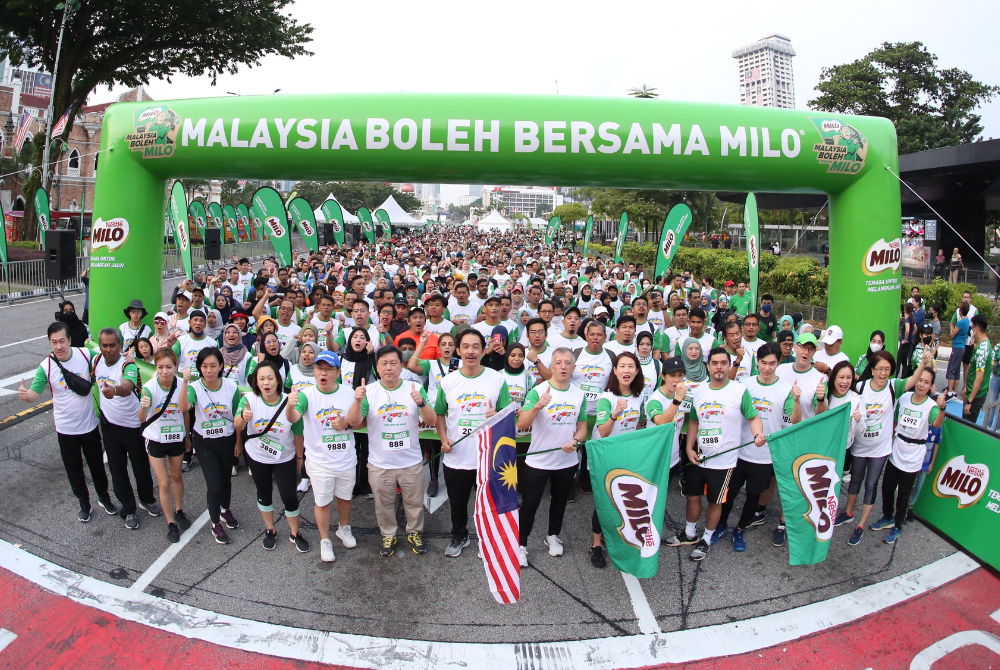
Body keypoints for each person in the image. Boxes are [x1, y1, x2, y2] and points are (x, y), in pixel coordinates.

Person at [666, 347, 766, 561]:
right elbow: (694, 421)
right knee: (692, 497)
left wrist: (758, 434)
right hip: (698, 458)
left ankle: (707, 538)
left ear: (729, 365)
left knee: (715, 501)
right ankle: (690, 533)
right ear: (708, 366)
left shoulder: (739, 391)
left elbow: (753, 417)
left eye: (723, 363)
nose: (719, 367)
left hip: (724, 462)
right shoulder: (700, 391)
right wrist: (689, 448)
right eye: (715, 363)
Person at [18, 322, 112, 522]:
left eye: (62, 341)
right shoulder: (47, 366)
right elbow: (35, 394)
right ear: (50, 343)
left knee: (97, 466)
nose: (58, 346)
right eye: (54, 342)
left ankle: (104, 498)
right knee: (74, 469)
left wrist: (125, 358)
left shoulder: (85, 355)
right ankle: (84, 503)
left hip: (89, 426)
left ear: (69, 340)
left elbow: (108, 361)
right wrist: (26, 396)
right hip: (65, 429)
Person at [348, 347, 437, 557]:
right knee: (383, 504)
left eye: (393, 363)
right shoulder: (368, 391)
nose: (389, 367)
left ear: (401, 365)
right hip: (380, 463)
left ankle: (414, 532)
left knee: (414, 503)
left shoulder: (414, 387)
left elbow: (432, 421)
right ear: (377, 367)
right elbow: (354, 422)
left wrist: (421, 403)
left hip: (411, 461)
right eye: (384, 363)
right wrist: (357, 400)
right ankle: (388, 534)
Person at [835, 349, 929, 545]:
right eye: (879, 369)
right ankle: (849, 512)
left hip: (880, 450)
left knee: (871, 485)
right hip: (860, 446)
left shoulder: (894, 387)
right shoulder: (860, 387)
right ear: (873, 369)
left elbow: (912, 379)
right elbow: (839, 390)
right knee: (855, 481)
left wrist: (923, 363)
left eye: (887, 369)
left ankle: (860, 525)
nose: (883, 373)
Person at [717, 343, 800, 552]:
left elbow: (795, 420)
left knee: (754, 497)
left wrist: (797, 400)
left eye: (772, 363)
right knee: (730, 492)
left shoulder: (785, 389)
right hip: (740, 452)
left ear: (779, 363)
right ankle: (720, 525)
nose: (767, 368)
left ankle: (740, 529)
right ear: (757, 362)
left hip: (765, 456)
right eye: (763, 363)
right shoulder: (745, 384)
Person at [436, 330, 512, 558]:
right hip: (457, 456)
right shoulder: (448, 381)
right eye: (465, 347)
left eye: (475, 346)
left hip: (487, 456)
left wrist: (496, 414)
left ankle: (487, 537)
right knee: (458, 502)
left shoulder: (497, 379)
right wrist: (443, 439)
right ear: (458, 351)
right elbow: (440, 414)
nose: (470, 351)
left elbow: (508, 415)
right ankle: (459, 535)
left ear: (483, 350)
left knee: (488, 501)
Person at [516, 348, 588, 566]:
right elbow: (522, 425)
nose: (563, 367)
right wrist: (537, 407)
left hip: (566, 461)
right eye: (558, 363)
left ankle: (552, 536)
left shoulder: (579, 394)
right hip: (538, 461)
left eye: (568, 363)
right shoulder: (538, 392)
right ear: (552, 365)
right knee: (530, 504)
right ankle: (521, 544)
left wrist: (575, 442)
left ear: (573, 367)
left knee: (559, 502)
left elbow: (583, 428)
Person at [286, 351, 358, 563]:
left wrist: (346, 423)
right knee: (323, 502)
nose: (323, 373)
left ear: (337, 372)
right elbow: (294, 417)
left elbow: (359, 421)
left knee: (345, 498)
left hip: (346, 458)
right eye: (319, 369)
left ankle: (344, 529)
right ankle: (325, 539)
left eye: (328, 369)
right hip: (320, 461)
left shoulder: (349, 393)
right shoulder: (306, 395)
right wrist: (290, 406)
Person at [234, 359, 310, 553]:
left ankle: (295, 533)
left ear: (278, 380)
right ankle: (270, 530)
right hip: (257, 456)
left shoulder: (289, 401)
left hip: (285, 457)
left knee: (289, 496)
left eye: (270, 378)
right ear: (256, 382)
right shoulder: (249, 400)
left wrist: (300, 458)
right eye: (261, 379)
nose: (266, 383)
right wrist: (243, 417)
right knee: (264, 493)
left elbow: (298, 432)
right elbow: (237, 425)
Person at [868, 366, 947, 544]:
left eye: (926, 382)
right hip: (897, 450)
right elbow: (895, 420)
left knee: (904, 496)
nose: (921, 384)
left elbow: (935, 423)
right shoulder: (904, 398)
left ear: (930, 387)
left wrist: (942, 409)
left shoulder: (931, 406)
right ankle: (887, 517)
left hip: (914, 456)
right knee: (887, 488)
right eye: (920, 380)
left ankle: (897, 525)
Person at [94, 328, 160, 530]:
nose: (108, 349)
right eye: (104, 345)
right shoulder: (96, 360)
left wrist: (114, 391)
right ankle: (128, 509)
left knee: (140, 466)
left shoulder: (127, 365)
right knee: (117, 469)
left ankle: (146, 499)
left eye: (112, 345)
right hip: (109, 427)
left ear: (121, 345)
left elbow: (127, 386)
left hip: (133, 427)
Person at [587, 352, 645, 568]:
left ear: (637, 371)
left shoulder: (640, 396)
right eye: (622, 366)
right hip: (605, 457)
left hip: (626, 456)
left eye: (631, 366)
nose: (627, 370)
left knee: (622, 500)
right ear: (615, 370)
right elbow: (603, 431)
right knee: (604, 502)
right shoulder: (607, 398)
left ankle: (618, 536)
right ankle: (595, 545)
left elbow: (638, 425)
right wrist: (615, 413)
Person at [179, 348, 242, 544]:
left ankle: (224, 509)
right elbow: (183, 407)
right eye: (204, 366)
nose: (209, 370)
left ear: (221, 366)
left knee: (226, 481)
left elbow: (237, 417)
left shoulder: (231, 387)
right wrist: (184, 382)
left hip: (227, 439)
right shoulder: (194, 388)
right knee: (214, 486)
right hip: (205, 443)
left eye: (213, 365)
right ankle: (215, 523)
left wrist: (238, 442)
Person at [138, 349, 191, 543]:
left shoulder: (180, 386)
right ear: (156, 367)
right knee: (163, 483)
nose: (165, 371)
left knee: (176, 476)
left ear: (175, 366)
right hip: (156, 439)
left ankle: (179, 510)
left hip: (176, 437)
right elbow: (141, 419)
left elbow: (185, 412)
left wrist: (187, 436)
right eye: (160, 367)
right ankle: (170, 522)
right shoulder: (150, 387)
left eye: (169, 367)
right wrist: (143, 406)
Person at [963, 314, 992, 422]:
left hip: (975, 396)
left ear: (977, 329)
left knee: (967, 426)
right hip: (972, 392)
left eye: (972, 328)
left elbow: (979, 378)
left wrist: (969, 401)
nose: (971, 331)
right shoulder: (982, 345)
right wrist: (966, 388)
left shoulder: (982, 350)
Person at [946, 304, 970, 398]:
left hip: (957, 346)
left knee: (951, 369)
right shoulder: (967, 321)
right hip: (962, 346)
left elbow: (953, 334)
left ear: (960, 311)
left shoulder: (961, 322)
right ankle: (954, 391)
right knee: (956, 370)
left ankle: (950, 392)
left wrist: (952, 332)